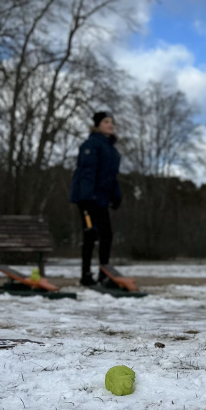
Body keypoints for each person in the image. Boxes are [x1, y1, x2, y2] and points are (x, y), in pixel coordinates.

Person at [70, 111, 123, 286]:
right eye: (106, 121)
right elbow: (87, 171)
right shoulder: (91, 145)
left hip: (102, 199)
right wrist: (86, 197)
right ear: (98, 125)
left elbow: (112, 176)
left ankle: (104, 273)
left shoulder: (112, 150)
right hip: (87, 197)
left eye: (112, 122)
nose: (110, 125)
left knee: (106, 235)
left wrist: (116, 196)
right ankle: (86, 275)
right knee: (90, 234)